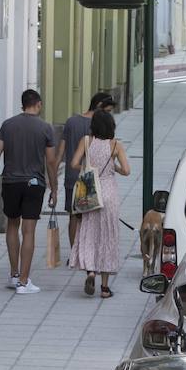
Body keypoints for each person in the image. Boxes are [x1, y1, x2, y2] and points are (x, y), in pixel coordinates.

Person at [0, 89, 57, 295]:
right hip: (34, 183)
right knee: (28, 230)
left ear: (22, 104)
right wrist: (54, 188)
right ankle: (24, 282)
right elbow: (51, 161)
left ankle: (14, 274)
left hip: (10, 182)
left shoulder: (8, 125)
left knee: (12, 224)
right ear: (39, 104)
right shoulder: (45, 128)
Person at [69, 109, 131, 298]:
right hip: (109, 192)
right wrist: (114, 168)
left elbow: (73, 163)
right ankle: (105, 288)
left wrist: (88, 168)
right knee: (108, 237)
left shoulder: (86, 141)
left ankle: (91, 271)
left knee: (89, 233)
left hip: (90, 191)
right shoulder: (116, 145)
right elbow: (127, 171)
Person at [57, 91, 115, 248]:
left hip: (72, 177)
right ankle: (87, 250)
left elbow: (61, 150)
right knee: (90, 218)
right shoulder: (100, 126)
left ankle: (74, 251)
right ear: (99, 107)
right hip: (92, 179)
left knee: (73, 217)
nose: (109, 115)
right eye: (108, 111)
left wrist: (54, 175)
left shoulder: (71, 122)